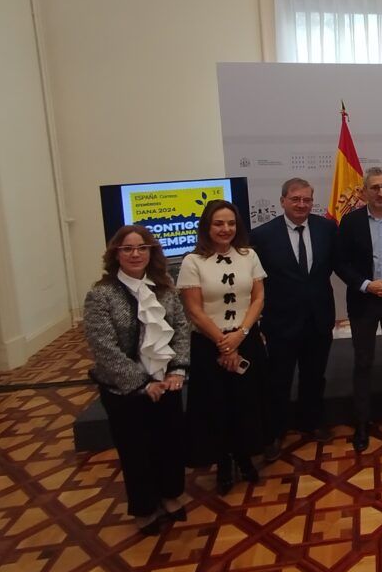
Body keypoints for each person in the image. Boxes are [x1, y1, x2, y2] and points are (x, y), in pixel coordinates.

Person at [83, 225, 191, 535]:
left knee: (169, 443)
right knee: (136, 451)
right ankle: (144, 508)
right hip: (125, 390)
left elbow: (181, 329)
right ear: (115, 254)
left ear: (151, 252)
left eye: (142, 248)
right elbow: (103, 347)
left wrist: (176, 370)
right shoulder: (101, 295)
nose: (135, 254)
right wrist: (143, 384)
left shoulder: (165, 289)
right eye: (127, 248)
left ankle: (171, 494)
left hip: (167, 382)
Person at [178, 199, 267, 493]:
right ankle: (223, 462)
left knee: (246, 402)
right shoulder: (192, 261)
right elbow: (194, 310)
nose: (225, 229)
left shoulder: (249, 255)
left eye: (230, 223)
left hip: (246, 339)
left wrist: (241, 335)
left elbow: (258, 298)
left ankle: (244, 456)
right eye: (218, 223)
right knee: (216, 405)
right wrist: (225, 344)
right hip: (209, 344)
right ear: (207, 226)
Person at [250, 178, 338, 455]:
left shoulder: (327, 229)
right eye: (295, 199)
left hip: (318, 318)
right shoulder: (262, 235)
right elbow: (255, 281)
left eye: (307, 200)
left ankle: (310, 422)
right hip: (281, 321)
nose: (302, 204)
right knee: (279, 379)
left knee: (315, 375)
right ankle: (275, 432)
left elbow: (338, 264)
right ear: (282, 201)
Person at [335, 167, 382, 451]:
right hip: (364, 301)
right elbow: (340, 263)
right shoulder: (350, 222)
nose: (381, 193)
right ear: (365, 191)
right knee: (363, 362)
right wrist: (367, 285)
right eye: (375, 187)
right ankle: (362, 421)